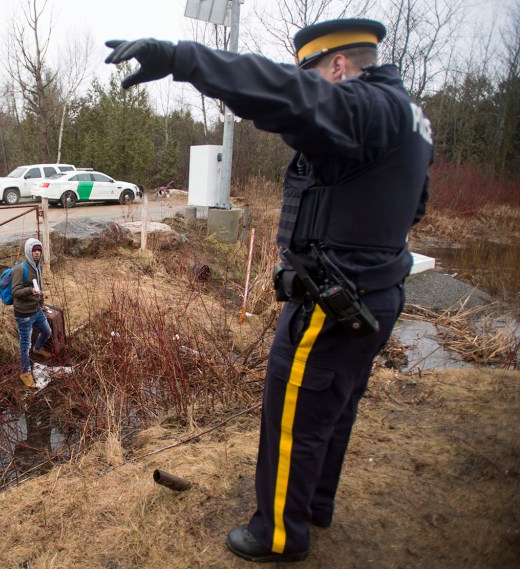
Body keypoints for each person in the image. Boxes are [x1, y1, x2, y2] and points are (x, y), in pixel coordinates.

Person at [106, 18, 432, 564]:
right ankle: (315, 506)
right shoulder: (409, 118)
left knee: (294, 421)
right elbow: (414, 206)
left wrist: (184, 60)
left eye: (315, 74)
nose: (314, 86)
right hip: (378, 294)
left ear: (338, 66)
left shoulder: (366, 106)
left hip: (332, 304)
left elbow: (288, 95)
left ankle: (278, 533)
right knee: (335, 408)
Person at [12, 238, 53, 388]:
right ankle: (25, 372)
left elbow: (39, 286)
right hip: (24, 314)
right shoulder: (20, 269)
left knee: (47, 331)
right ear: (28, 251)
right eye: (34, 250)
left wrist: (41, 303)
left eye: (39, 250)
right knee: (25, 343)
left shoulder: (38, 267)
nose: (37, 253)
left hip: (36, 310)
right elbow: (15, 291)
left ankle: (38, 348)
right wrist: (30, 290)